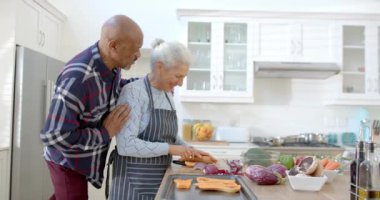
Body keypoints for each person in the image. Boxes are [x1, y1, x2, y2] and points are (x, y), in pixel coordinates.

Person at [39, 15, 143, 200]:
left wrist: (148, 84)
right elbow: (54, 135)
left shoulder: (111, 66)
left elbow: (115, 89)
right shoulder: (78, 79)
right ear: (113, 46)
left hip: (81, 158)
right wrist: (105, 132)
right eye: (135, 50)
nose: (138, 55)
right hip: (66, 161)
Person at [108, 39, 217, 200]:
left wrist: (190, 149)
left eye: (183, 77)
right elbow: (126, 145)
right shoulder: (134, 93)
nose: (180, 83)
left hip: (160, 182)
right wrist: (173, 149)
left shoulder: (167, 95)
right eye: (178, 76)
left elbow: (169, 138)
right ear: (160, 67)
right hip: (132, 187)